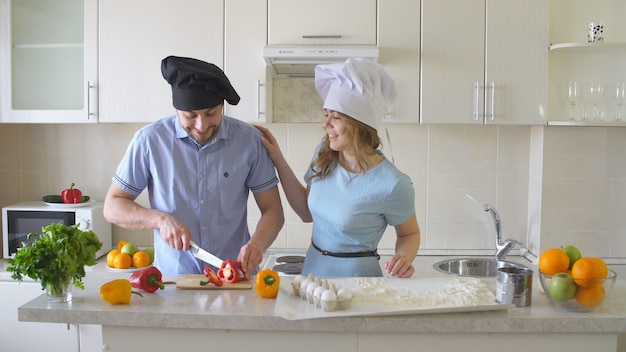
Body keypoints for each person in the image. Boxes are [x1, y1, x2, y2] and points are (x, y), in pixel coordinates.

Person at [103, 56, 284, 277]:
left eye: (211, 113)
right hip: (172, 282)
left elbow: (273, 210)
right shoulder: (149, 141)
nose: (202, 125)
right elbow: (112, 206)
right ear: (176, 109)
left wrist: (257, 244)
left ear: (222, 105)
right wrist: (159, 219)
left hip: (235, 279)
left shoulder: (249, 141)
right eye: (190, 116)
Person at [255, 58, 420, 277]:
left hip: (359, 284)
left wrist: (404, 258)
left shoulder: (393, 184)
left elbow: (410, 234)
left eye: (336, 117)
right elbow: (306, 212)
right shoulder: (325, 153)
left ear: (359, 124)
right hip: (312, 276)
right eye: (327, 115)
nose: (326, 124)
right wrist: (278, 159)